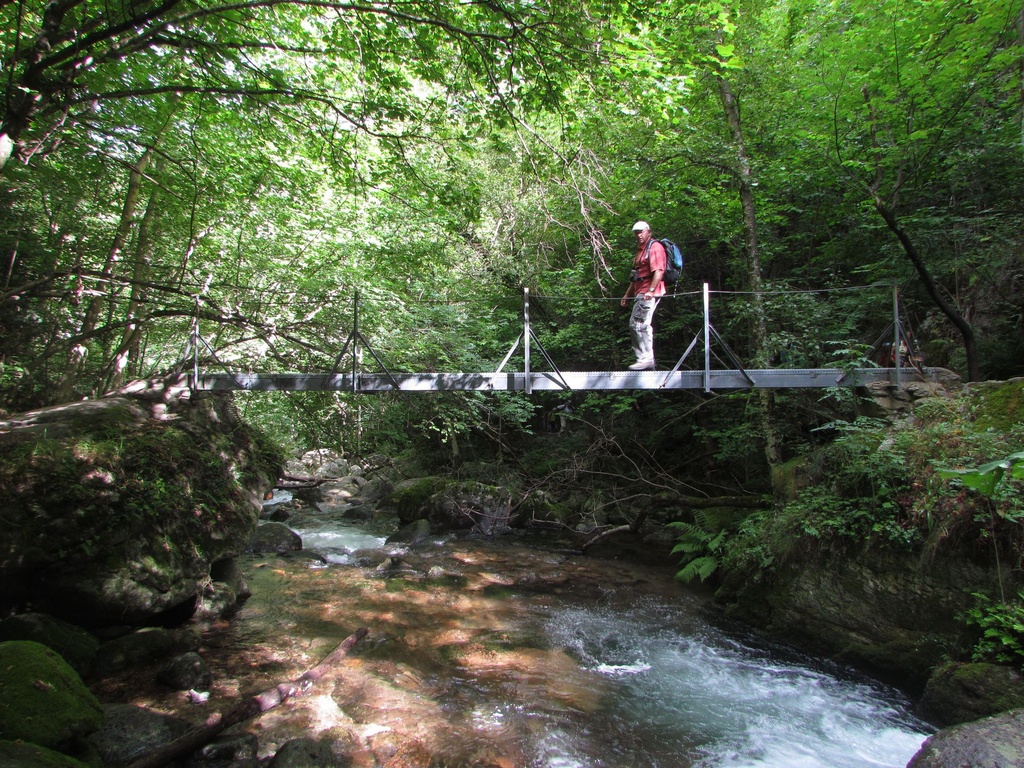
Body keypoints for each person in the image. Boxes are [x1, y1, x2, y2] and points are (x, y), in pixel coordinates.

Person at [620, 220, 667, 370]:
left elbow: (659, 271)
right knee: (637, 323)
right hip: (640, 290)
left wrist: (651, 291)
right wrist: (627, 295)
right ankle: (646, 361)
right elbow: (635, 276)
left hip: (648, 291)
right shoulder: (641, 251)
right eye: (636, 232)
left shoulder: (655, 247)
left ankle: (646, 359)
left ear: (648, 231)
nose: (639, 235)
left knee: (639, 323)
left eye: (641, 231)